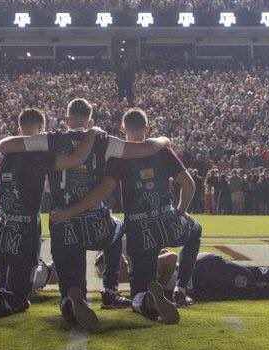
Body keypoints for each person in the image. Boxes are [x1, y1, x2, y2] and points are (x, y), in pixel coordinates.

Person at [0, 97, 171, 330]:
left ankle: (72, 299)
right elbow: (145, 148)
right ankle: (111, 290)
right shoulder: (104, 141)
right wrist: (164, 139)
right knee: (118, 227)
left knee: (70, 276)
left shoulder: (51, 139)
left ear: (67, 119)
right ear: (90, 120)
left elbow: (4, 145)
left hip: (63, 224)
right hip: (97, 224)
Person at [51, 108, 198, 325]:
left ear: (122, 129)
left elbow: (105, 189)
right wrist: (181, 211)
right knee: (195, 230)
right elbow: (188, 184)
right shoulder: (163, 151)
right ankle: (181, 289)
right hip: (167, 221)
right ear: (147, 128)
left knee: (139, 286)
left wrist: (71, 211)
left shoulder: (119, 157)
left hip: (139, 228)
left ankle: (123, 294)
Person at [0, 108, 101, 326]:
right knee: (21, 296)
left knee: (9, 274)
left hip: (1, 225)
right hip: (26, 228)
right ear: (41, 129)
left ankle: (1, 290)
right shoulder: (37, 155)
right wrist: (92, 133)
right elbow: (76, 159)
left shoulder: (3, 154)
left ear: (19, 127)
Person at [96, 250, 269, 302]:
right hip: (203, 281)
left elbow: (169, 258)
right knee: (259, 289)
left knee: (261, 279)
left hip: (206, 271)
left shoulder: (138, 262)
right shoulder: (134, 263)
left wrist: (160, 290)